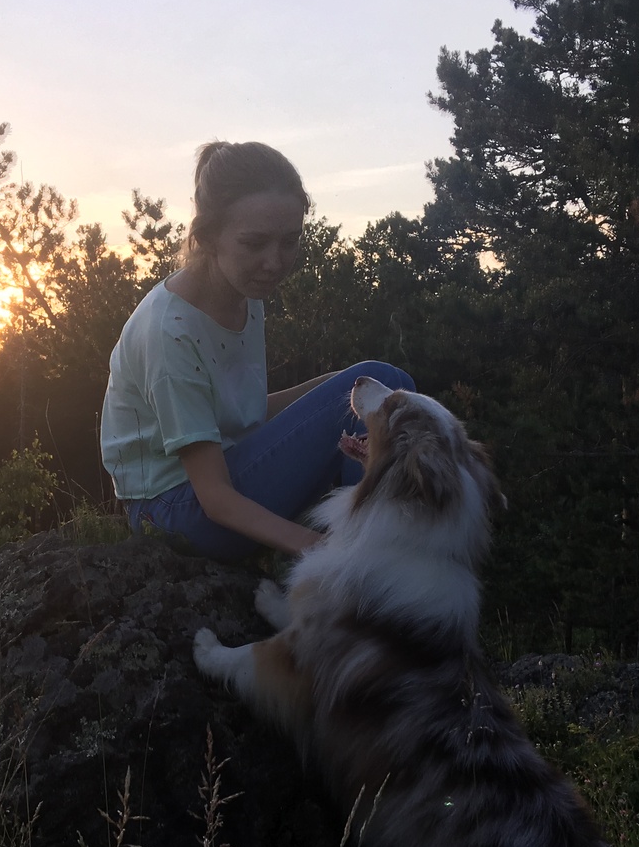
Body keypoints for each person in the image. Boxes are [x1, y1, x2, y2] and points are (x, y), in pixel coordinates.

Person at [99, 140, 414, 562]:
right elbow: (215, 497)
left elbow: (237, 415)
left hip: (218, 482)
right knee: (386, 389)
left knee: (380, 387)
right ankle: (363, 560)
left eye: (290, 241)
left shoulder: (241, 295)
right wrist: (322, 552)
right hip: (178, 511)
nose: (275, 261)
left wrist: (346, 385)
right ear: (208, 236)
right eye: (255, 243)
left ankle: (375, 548)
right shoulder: (170, 331)